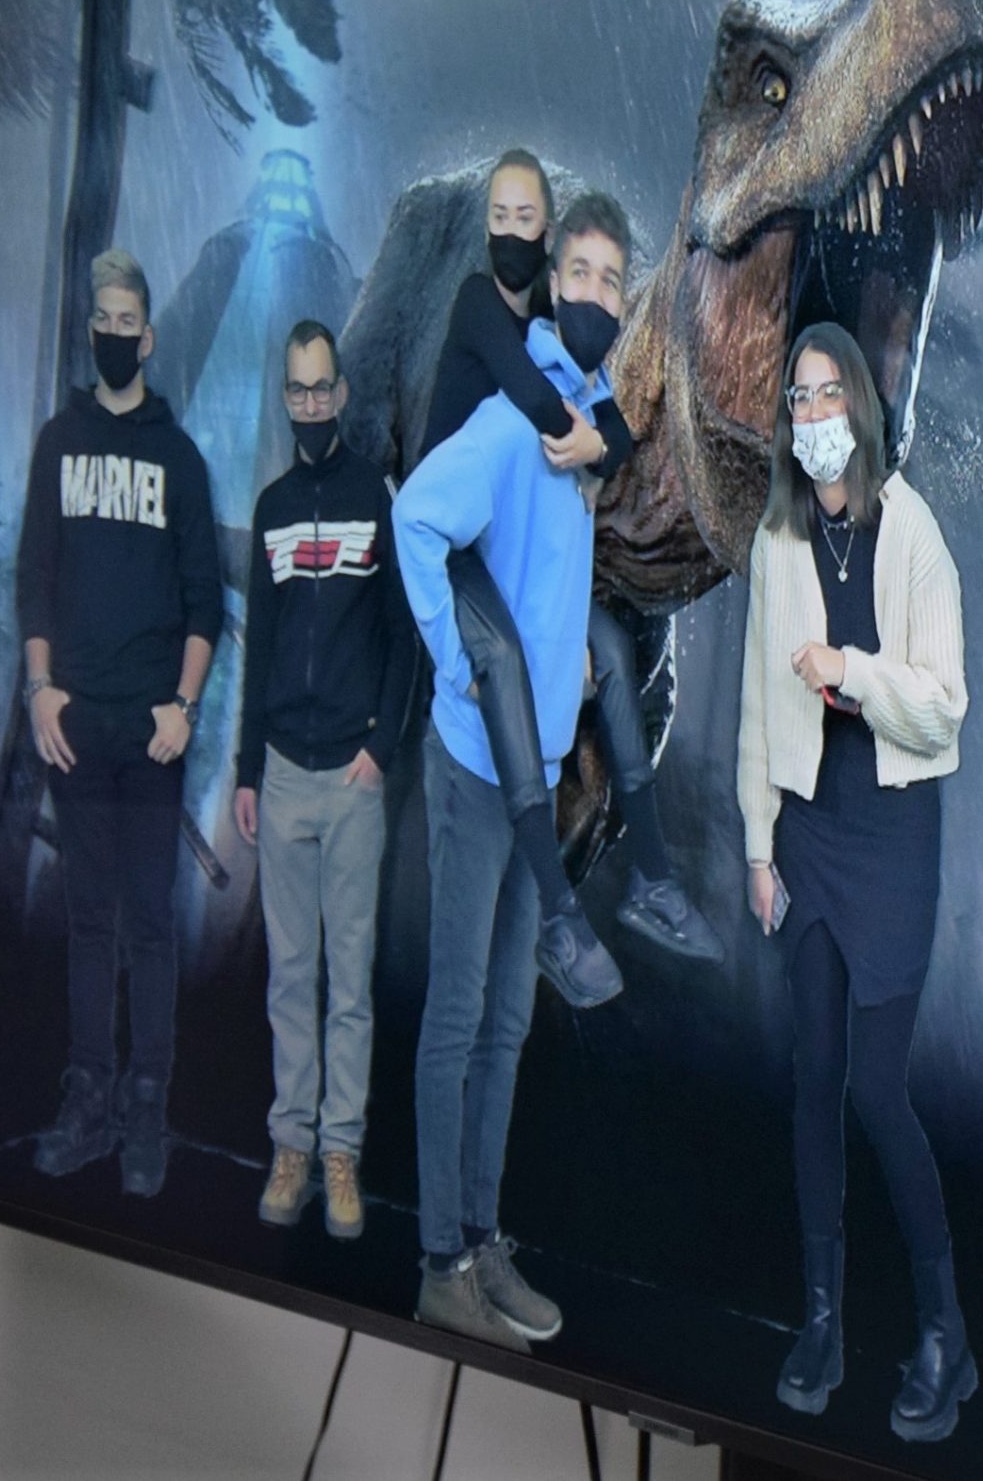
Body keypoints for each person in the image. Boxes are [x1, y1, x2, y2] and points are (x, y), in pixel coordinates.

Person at [395, 191, 641, 1349]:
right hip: (473, 770)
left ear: (623, 302)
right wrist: (458, 665)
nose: (591, 292)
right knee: (456, 1020)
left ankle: (482, 1239)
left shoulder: (587, 426)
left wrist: (563, 665)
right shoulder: (509, 423)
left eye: (609, 280)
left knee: (506, 1024)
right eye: (576, 272)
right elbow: (415, 521)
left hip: (540, 770)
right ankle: (438, 1264)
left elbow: (546, 566)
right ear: (553, 285)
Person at [738, 322, 973, 1443]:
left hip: (892, 836)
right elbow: (755, 699)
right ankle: (822, 1319)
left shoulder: (912, 530)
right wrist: (756, 841)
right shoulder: (778, 538)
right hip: (808, 831)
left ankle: (944, 1331)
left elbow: (944, 708)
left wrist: (854, 673)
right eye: (800, 397)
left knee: (878, 1090)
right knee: (814, 1080)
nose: (815, 414)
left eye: (831, 394)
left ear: (862, 411)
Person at [17, 248, 221, 1199]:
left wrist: (184, 708)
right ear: (92, 328)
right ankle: (88, 1099)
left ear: (148, 336)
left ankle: (148, 1111)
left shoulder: (179, 459)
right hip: (73, 728)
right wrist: (38, 688)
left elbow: (204, 600)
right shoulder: (58, 442)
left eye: (125, 321)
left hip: (150, 736)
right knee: (87, 921)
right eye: (99, 318)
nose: (111, 333)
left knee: (150, 924)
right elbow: (34, 575)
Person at [232, 320, 415, 1241]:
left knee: (349, 984)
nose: (310, 405)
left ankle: (340, 1151)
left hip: (350, 780)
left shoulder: (375, 498)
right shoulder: (270, 509)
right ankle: (290, 1146)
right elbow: (260, 648)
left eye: (321, 388)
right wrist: (245, 770)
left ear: (342, 393)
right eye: (296, 392)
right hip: (281, 775)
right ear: (287, 400)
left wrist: (381, 746)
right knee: (288, 979)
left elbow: (405, 638)